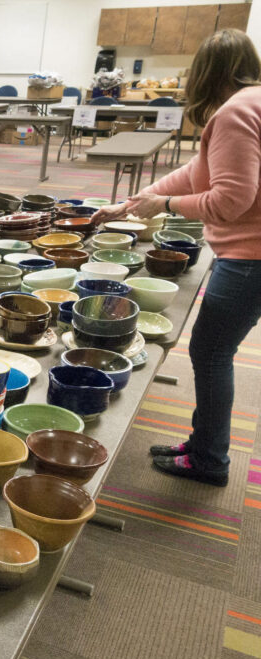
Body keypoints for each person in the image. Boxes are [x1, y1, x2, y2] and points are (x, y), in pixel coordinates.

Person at [91, 29, 261, 488]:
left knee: (211, 353)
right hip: (252, 253)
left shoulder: (233, 113)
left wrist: (162, 208)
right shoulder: (254, 102)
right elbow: (196, 172)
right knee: (213, 352)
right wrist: (135, 201)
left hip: (251, 257)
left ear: (207, 74)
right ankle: (204, 443)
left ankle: (209, 459)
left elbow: (229, 199)